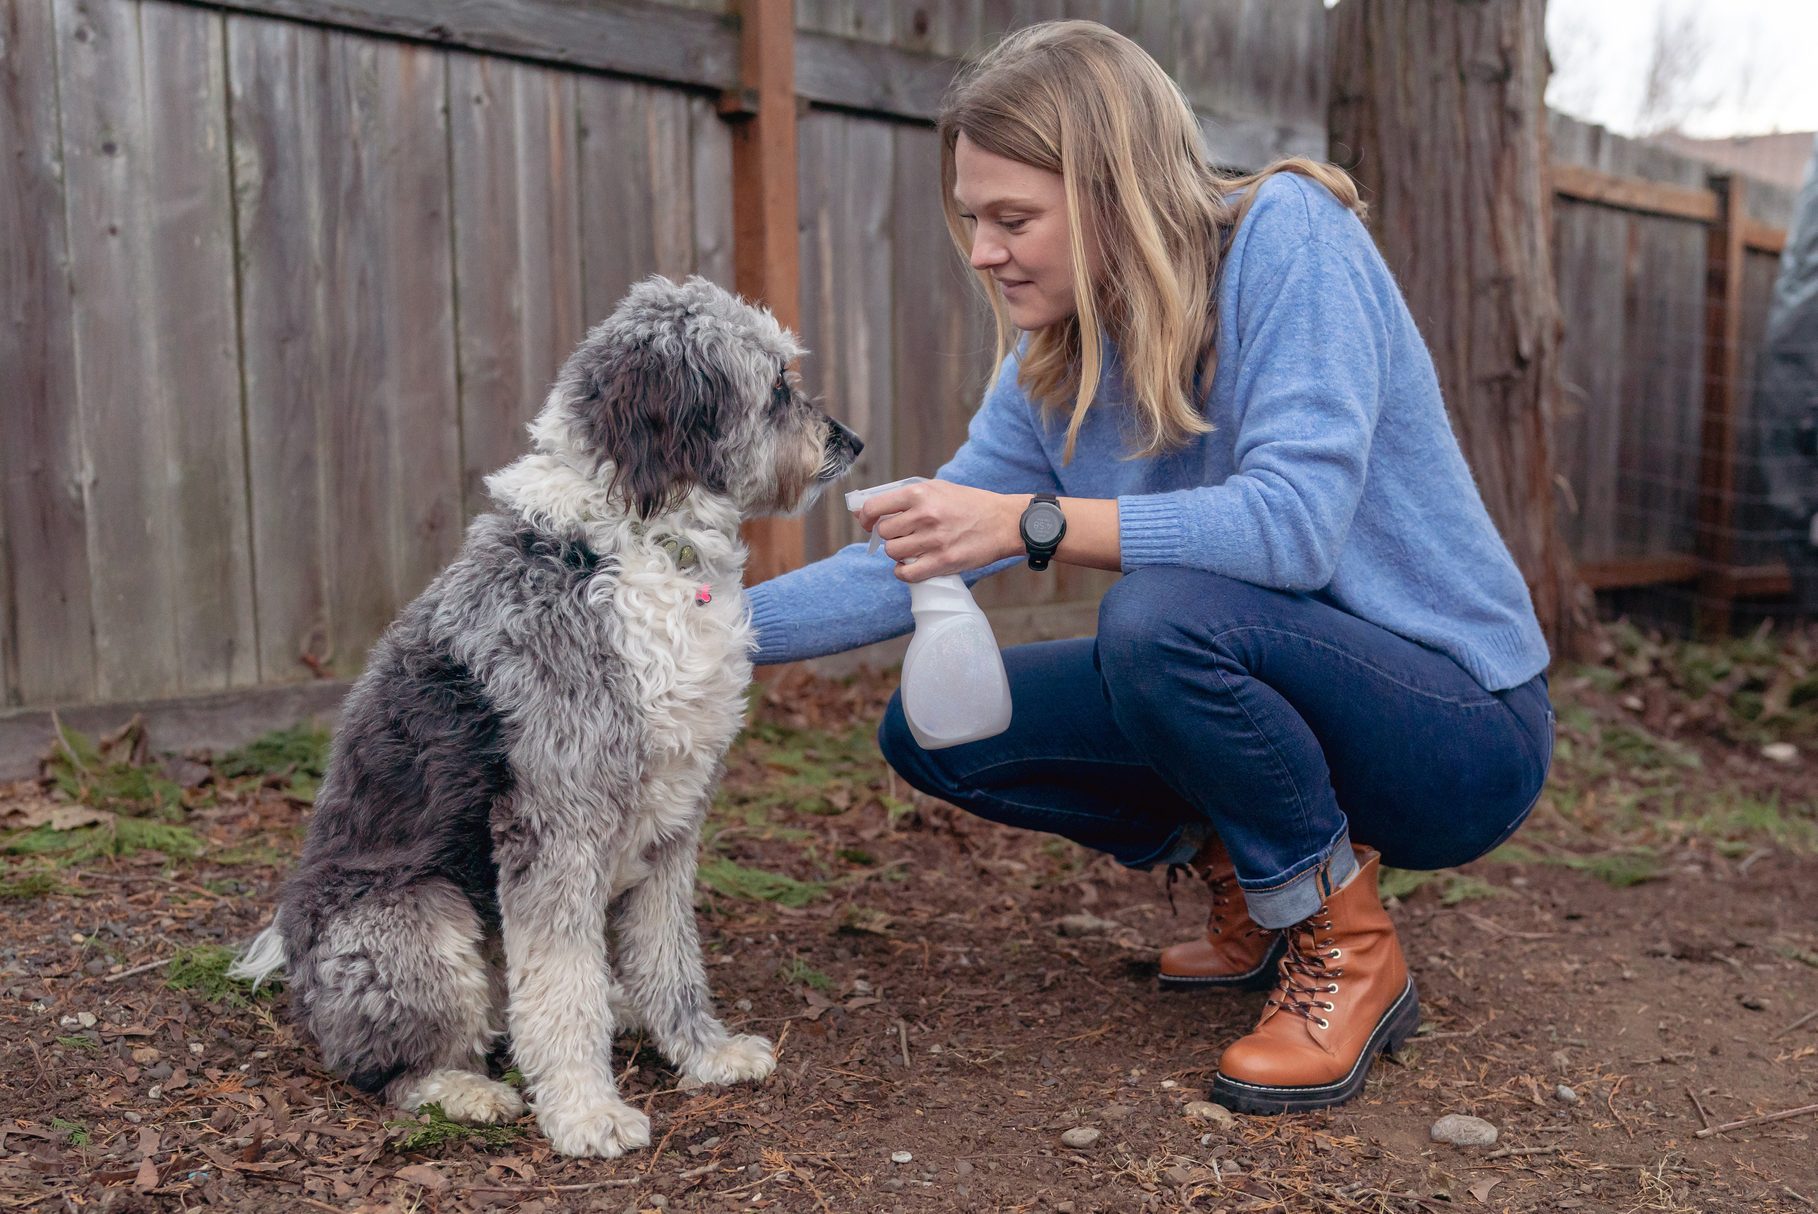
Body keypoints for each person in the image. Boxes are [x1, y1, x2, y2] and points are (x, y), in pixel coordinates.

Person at [743, 20, 1554, 1114]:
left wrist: (1028, 522)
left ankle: (1346, 945)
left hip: (1457, 722)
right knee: (939, 727)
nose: (983, 250)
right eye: (973, 219)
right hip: (1283, 683)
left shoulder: (1288, 236)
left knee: (1159, 621)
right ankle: (1255, 879)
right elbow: (918, 551)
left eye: (1012, 218)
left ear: (1111, 190)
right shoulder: (1058, 354)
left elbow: (1295, 527)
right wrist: (690, 619)